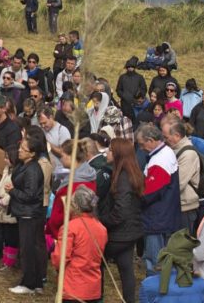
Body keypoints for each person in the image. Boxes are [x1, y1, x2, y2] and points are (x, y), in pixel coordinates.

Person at [97, 138, 144, 303]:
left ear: (117, 154)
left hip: (120, 233)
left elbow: (121, 211)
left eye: (110, 150)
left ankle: (97, 298)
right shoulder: (131, 173)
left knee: (97, 263)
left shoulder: (123, 178)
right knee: (126, 269)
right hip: (130, 232)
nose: (107, 153)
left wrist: (102, 221)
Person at [136, 123, 182, 274]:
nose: (141, 148)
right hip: (163, 215)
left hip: (157, 219)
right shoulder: (165, 152)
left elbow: (148, 193)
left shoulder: (160, 161)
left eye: (142, 144)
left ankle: (157, 293)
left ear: (150, 140)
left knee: (155, 262)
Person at [50, 185, 108, 303]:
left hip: (73, 287)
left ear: (74, 206)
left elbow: (60, 258)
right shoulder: (101, 228)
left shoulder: (70, 227)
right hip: (93, 288)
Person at [6, 131, 47, 295]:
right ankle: (36, 282)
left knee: (28, 249)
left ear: (32, 153)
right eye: (20, 147)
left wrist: (13, 191)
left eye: (23, 149)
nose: (19, 151)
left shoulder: (33, 170)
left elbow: (30, 195)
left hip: (29, 214)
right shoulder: (25, 166)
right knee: (32, 248)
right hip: (26, 213)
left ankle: (29, 283)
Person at [162, 119, 201, 233]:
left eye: (166, 137)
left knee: (182, 246)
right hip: (176, 205)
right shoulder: (173, 149)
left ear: (177, 135)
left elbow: (178, 183)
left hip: (186, 208)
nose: (164, 140)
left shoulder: (188, 154)